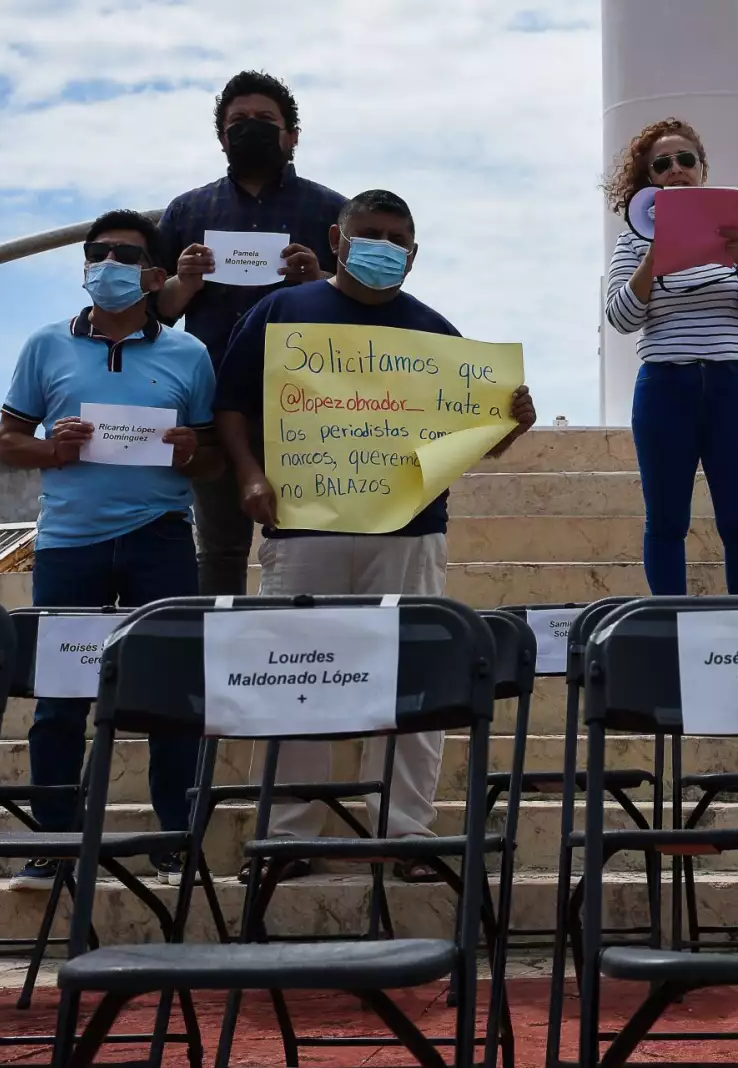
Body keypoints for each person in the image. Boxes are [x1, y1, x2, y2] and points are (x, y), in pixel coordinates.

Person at [214, 189, 537, 882]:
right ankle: (287, 835)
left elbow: (481, 438)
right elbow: (231, 407)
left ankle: (408, 832)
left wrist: (513, 422)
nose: (382, 247)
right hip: (302, 529)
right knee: (292, 674)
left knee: (415, 679)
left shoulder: (439, 335)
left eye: (397, 238)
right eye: (370, 233)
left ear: (414, 254)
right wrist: (249, 475)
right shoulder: (279, 313)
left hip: (411, 531)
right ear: (337, 237)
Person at [0, 210, 223, 890]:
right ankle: (55, 843)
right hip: (68, 545)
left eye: (127, 256)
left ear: (156, 276)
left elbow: (208, 458)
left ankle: (173, 841)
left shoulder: (190, 355)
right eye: (100, 254)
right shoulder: (44, 346)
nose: (111, 266)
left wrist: (193, 451)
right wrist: (50, 450)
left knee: (170, 694)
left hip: (161, 540)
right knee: (60, 698)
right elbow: (7, 443)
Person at [155, 70, 346, 596]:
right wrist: (185, 282)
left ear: (292, 136)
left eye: (266, 120)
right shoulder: (187, 211)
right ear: (221, 138)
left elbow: (364, 307)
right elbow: (156, 314)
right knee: (219, 551)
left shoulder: (333, 211)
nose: (251, 129)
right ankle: (218, 666)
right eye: (238, 121)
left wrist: (321, 280)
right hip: (215, 404)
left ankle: (311, 660)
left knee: (315, 544)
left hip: (311, 406)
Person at [603, 117, 738, 596]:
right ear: (648, 177)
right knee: (666, 520)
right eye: (662, 163)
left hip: (733, 386)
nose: (675, 169)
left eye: (686, 160)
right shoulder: (633, 241)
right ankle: (667, 624)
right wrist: (653, 257)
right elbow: (620, 318)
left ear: (702, 169)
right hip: (665, 387)